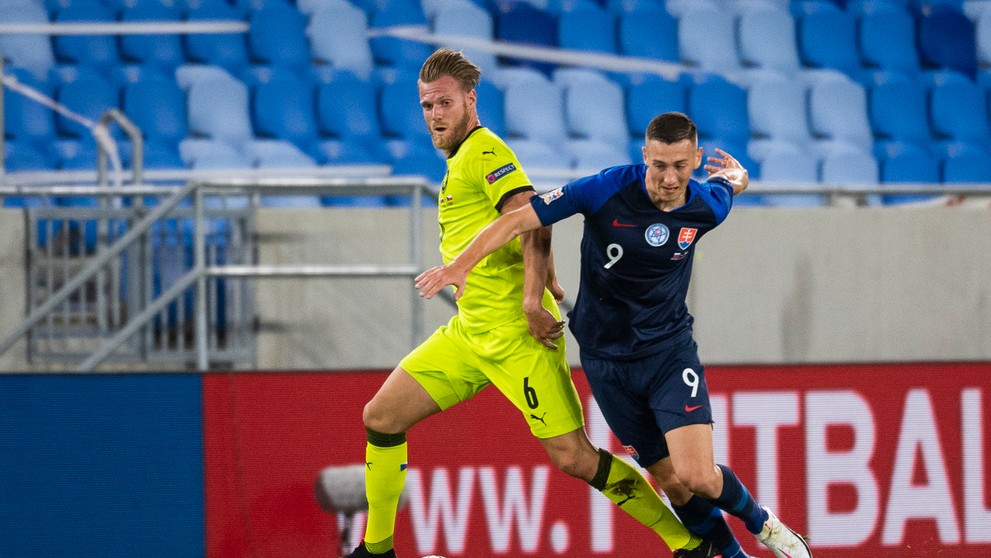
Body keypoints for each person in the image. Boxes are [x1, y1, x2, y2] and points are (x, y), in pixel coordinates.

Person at [346, 51, 720, 558]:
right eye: (428, 105)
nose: (435, 114)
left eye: (446, 103)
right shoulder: (460, 158)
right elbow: (528, 224)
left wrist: (531, 298)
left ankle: (685, 542)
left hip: (517, 339)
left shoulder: (484, 151)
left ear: (470, 101)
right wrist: (552, 279)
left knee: (576, 458)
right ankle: (377, 550)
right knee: (382, 418)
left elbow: (533, 215)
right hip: (469, 333)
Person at [416, 112, 815, 558]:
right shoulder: (604, 189)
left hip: (668, 354)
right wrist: (460, 264)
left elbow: (730, 187)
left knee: (697, 476)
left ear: (696, 159)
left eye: (680, 166)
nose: (668, 178)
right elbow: (517, 221)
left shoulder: (705, 206)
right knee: (670, 483)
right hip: (607, 363)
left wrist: (739, 176)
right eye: (658, 165)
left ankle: (765, 526)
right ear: (644, 155)